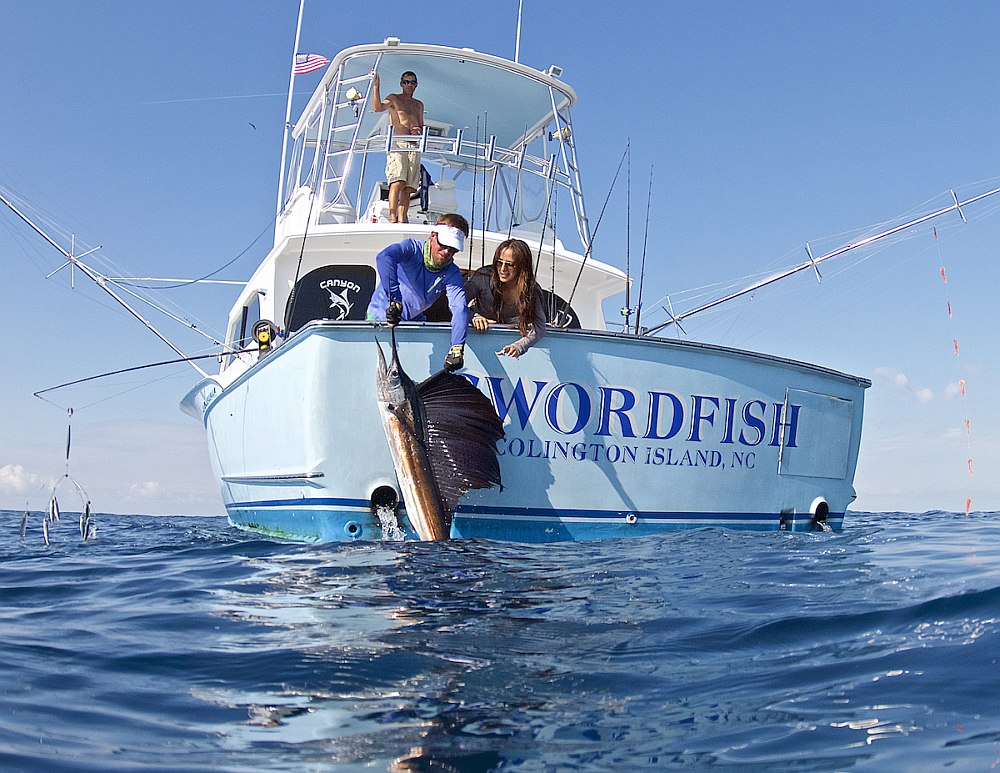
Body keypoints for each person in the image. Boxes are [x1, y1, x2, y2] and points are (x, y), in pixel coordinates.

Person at [367, 213, 471, 372]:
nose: (446, 252)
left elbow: (459, 308)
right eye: (443, 245)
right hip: (380, 320)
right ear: (432, 236)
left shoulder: (452, 273)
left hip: (412, 327)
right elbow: (384, 257)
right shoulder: (411, 248)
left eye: (453, 249)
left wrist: (457, 346)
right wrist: (395, 299)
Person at [464, 239, 547, 358]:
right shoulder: (483, 277)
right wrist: (473, 317)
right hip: (475, 343)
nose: (502, 269)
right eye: (499, 262)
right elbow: (455, 304)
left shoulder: (532, 291)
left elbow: (540, 328)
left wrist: (519, 346)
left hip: (507, 350)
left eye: (510, 264)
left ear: (522, 267)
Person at [371, 70, 424, 224]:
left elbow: (421, 124)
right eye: (406, 82)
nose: (410, 85)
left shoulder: (418, 105)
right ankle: (392, 217)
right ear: (401, 84)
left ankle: (402, 219)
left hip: (413, 146)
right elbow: (377, 107)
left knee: (409, 188)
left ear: (416, 85)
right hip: (398, 143)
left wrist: (418, 130)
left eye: (413, 82)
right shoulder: (394, 98)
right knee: (397, 181)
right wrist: (376, 86)